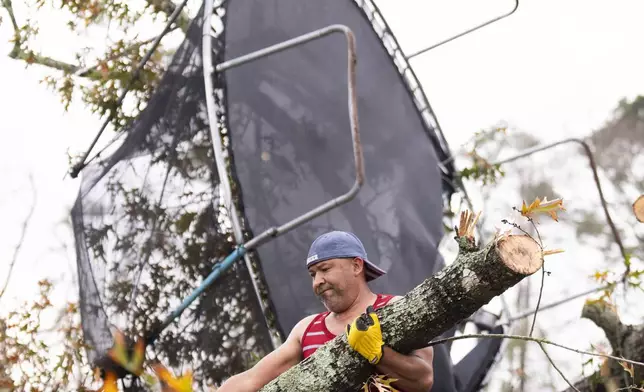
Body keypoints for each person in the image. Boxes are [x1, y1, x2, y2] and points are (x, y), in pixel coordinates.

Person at [216, 230, 434, 392]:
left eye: (325, 269)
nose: (317, 281)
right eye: (312, 274)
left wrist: (378, 354)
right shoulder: (306, 329)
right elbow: (252, 379)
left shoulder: (395, 308)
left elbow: (423, 380)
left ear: (357, 266)